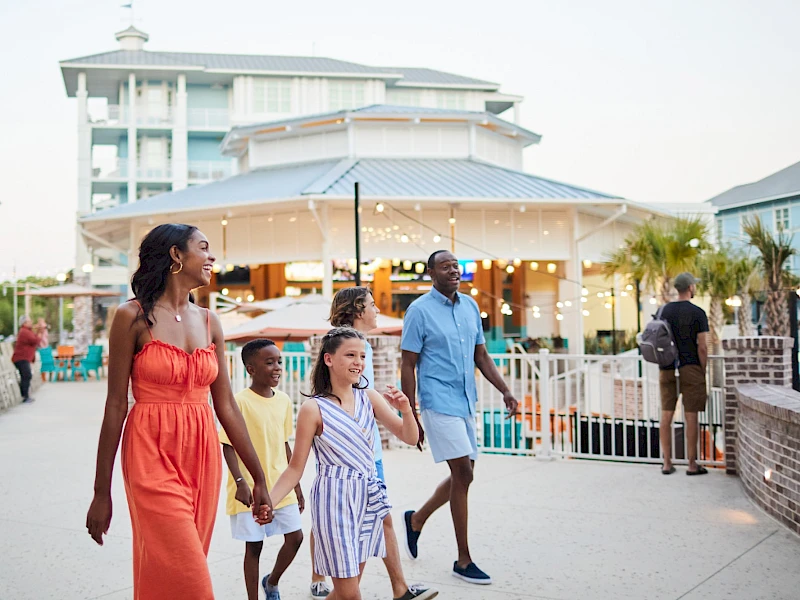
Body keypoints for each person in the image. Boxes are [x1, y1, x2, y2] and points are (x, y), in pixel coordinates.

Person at [85, 223, 273, 600]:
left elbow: (227, 406)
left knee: (173, 569)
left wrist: (259, 478)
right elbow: (115, 405)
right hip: (150, 450)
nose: (212, 257)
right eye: (203, 248)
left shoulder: (210, 321)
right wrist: (101, 492)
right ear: (176, 255)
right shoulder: (131, 316)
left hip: (201, 454)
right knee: (190, 574)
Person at [269, 327, 421, 600]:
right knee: (351, 595)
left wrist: (407, 409)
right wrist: (269, 501)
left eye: (362, 356)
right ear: (328, 359)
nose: (358, 362)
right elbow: (295, 468)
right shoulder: (312, 409)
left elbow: (409, 437)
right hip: (333, 501)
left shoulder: (369, 397)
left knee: (342, 594)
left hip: (367, 497)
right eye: (350, 355)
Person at [304, 287, 436, 600]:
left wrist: (402, 417)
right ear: (358, 310)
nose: (377, 310)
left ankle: (329, 580)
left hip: (361, 452)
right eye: (373, 305)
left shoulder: (347, 341)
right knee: (374, 518)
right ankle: (395, 588)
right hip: (360, 453)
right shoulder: (350, 342)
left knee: (365, 518)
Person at [400, 250, 519, 585]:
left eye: (456, 265)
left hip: (467, 401)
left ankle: (416, 520)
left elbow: (480, 355)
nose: (453, 270)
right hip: (437, 401)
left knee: (464, 476)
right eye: (445, 266)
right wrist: (411, 412)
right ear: (430, 273)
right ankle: (463, 560)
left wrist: (505, 390)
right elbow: (408, 364)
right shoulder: (419, 311)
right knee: (463, 473)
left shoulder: (469, 306)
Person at [221, 339, 304, 600]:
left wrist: (297, 485)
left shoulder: (284, 401)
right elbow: (228, 445)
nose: (277, 367)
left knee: (296, 538)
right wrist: (240, 482)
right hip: (249, 489)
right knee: (254, 547)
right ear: (250, 369)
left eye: (278, 361)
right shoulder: (239, 402)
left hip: (281, 485)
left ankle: (273, 581)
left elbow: (285, 444)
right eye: (269, 362)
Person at [658, 271, 709, 476]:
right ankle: (691, 464)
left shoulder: (663, 311)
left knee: (666, 415)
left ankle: (667, 463)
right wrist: (702, 370)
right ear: (690, 288)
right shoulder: (698, 313)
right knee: (691, 416)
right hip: (690, 367)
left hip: (666, 367)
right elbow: (703, 347)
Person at [12, 315, 44, 403]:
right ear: (25, 323)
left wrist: (38, 330)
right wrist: (40, 331)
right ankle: (25, 396)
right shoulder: (24, 332)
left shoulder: (26, 331)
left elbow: (34, 338)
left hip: (23, 358)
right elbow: (36, 341)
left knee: (26, 376)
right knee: (26, 375)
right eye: (29, 321)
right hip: (21, 358)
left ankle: (25, 395)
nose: (31, 323)